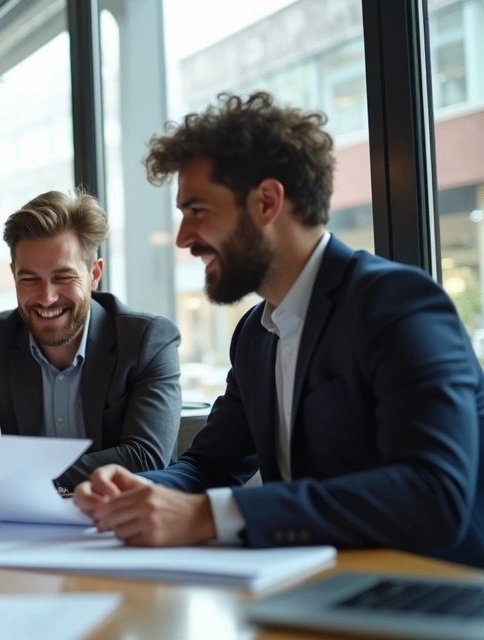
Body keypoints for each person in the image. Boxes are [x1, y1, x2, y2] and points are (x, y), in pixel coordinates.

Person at [73, 92, 484, 568]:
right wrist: (143, 493)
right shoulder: (255, 333)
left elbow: (434, 494)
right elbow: (211, 464)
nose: (183, 238)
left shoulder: (396, 304)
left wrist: (208, 515)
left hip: (434, 594)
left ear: (267, 201)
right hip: (314, 586)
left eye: (198, 210)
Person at [0, 190, 182, 489]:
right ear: (13, 275)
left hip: (121, 521)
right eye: (29, 279)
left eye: (63, 277)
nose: (46, 297)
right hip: (24, 525)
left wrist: (11, 473)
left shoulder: (147, 339)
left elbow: (145, 457)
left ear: (94, 274)